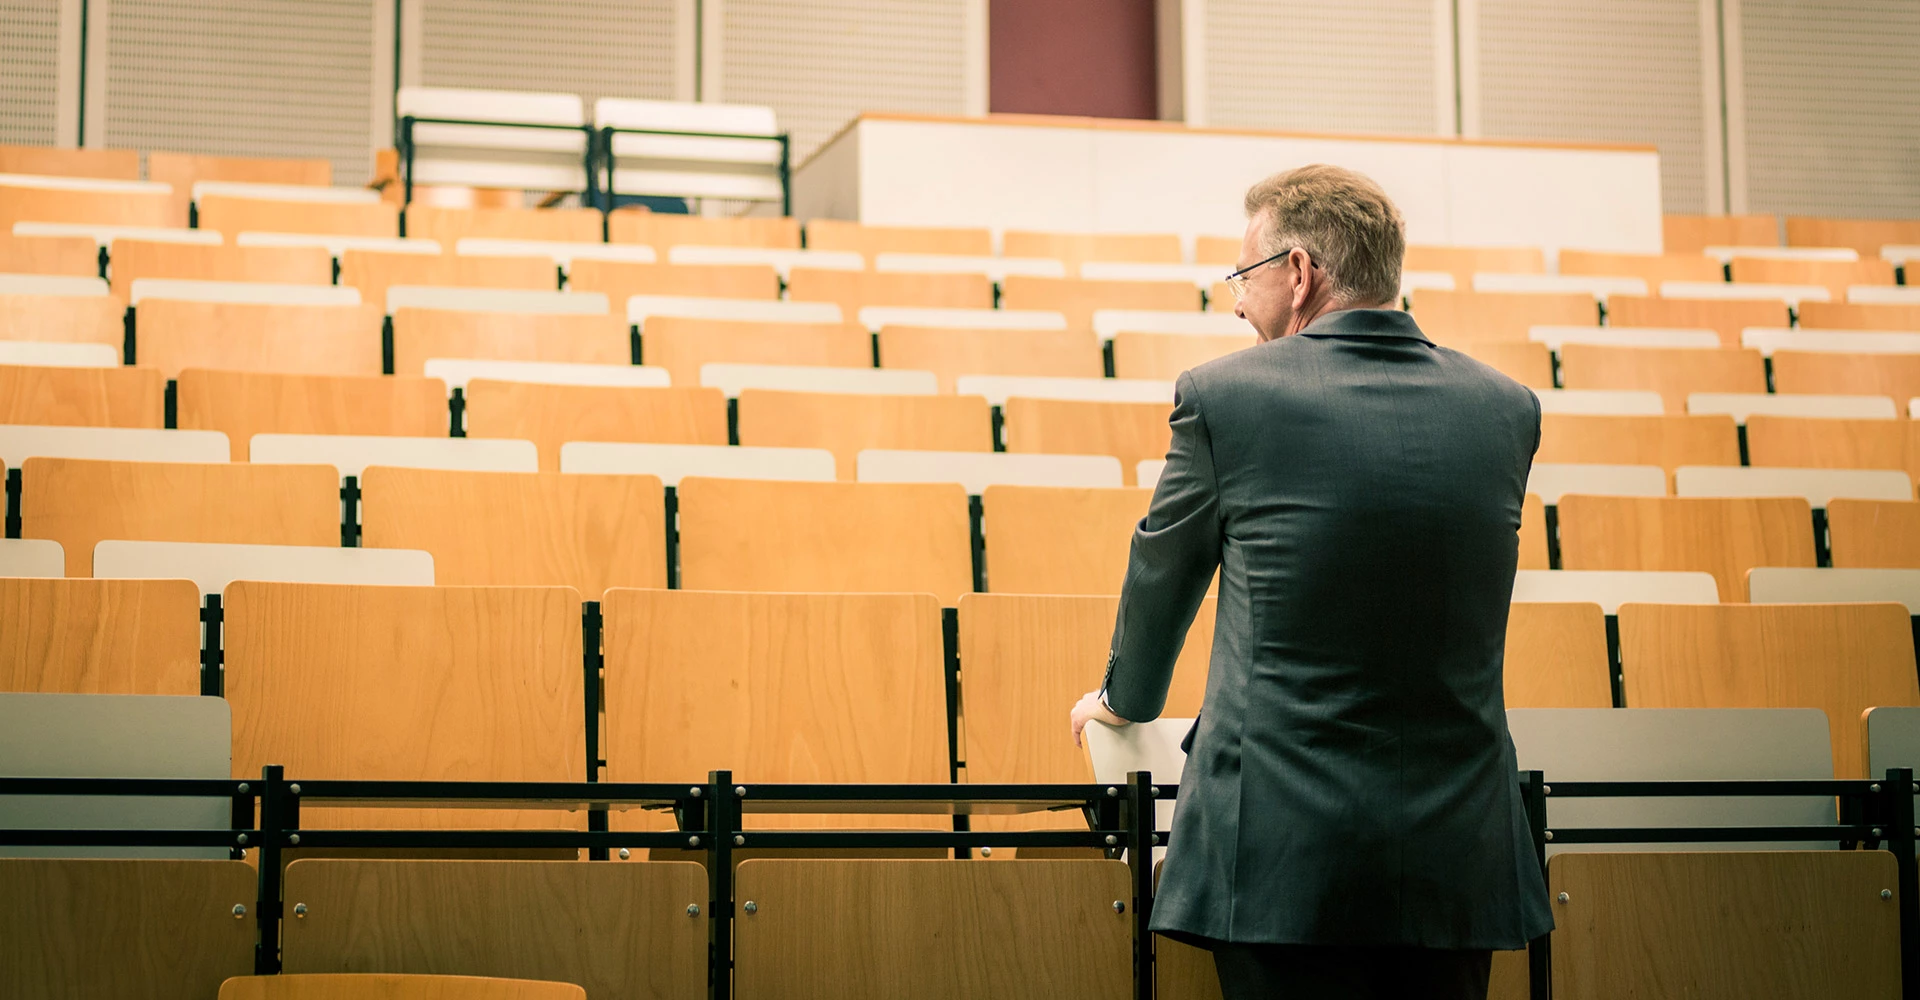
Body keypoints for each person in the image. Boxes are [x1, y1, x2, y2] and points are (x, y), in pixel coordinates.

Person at [1069, 164, 1553, 999]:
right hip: (1457, 856)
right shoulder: (1506, 408)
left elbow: (1163, 573)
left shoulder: (1225, 396)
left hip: (1282, 855)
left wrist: (1121, 704)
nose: (1234, 303)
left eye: (1243, 276)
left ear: (1298, 274)